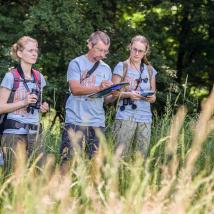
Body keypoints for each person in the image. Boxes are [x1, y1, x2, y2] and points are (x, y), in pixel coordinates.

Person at [60, 31, 112, 162]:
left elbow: (105, 100)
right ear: (90, 44)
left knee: (95, 166)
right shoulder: (76, 63)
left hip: (97, 122)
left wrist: (115, 93)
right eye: (99, 50)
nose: (102, 54)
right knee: (69, 162)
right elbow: (75, 89)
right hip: (75, 121)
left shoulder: (106, 69)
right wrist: (98, 87)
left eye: (105, 51)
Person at [0, 36, 49, 175]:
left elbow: (37, 103)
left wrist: (43, 107)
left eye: (36, 50)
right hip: (14, 133)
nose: (35, 53)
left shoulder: (39, 77)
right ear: (20, 53)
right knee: (13, 177)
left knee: (38, 175)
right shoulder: (11, 76)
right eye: (30, 50)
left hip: (35, 133)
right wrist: (24, 102)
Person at [112, 35, 157, 158]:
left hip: (145, 118)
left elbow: (154, 96)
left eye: (140, 51)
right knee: (120, 156)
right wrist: (128, 94)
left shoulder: (150, 70)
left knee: (140, 158)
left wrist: (151, 98)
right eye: (134, 49)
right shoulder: (122, 66)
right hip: (125, 117)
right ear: (130, 47)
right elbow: (112, 93)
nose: (136, 53)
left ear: (145, 52)